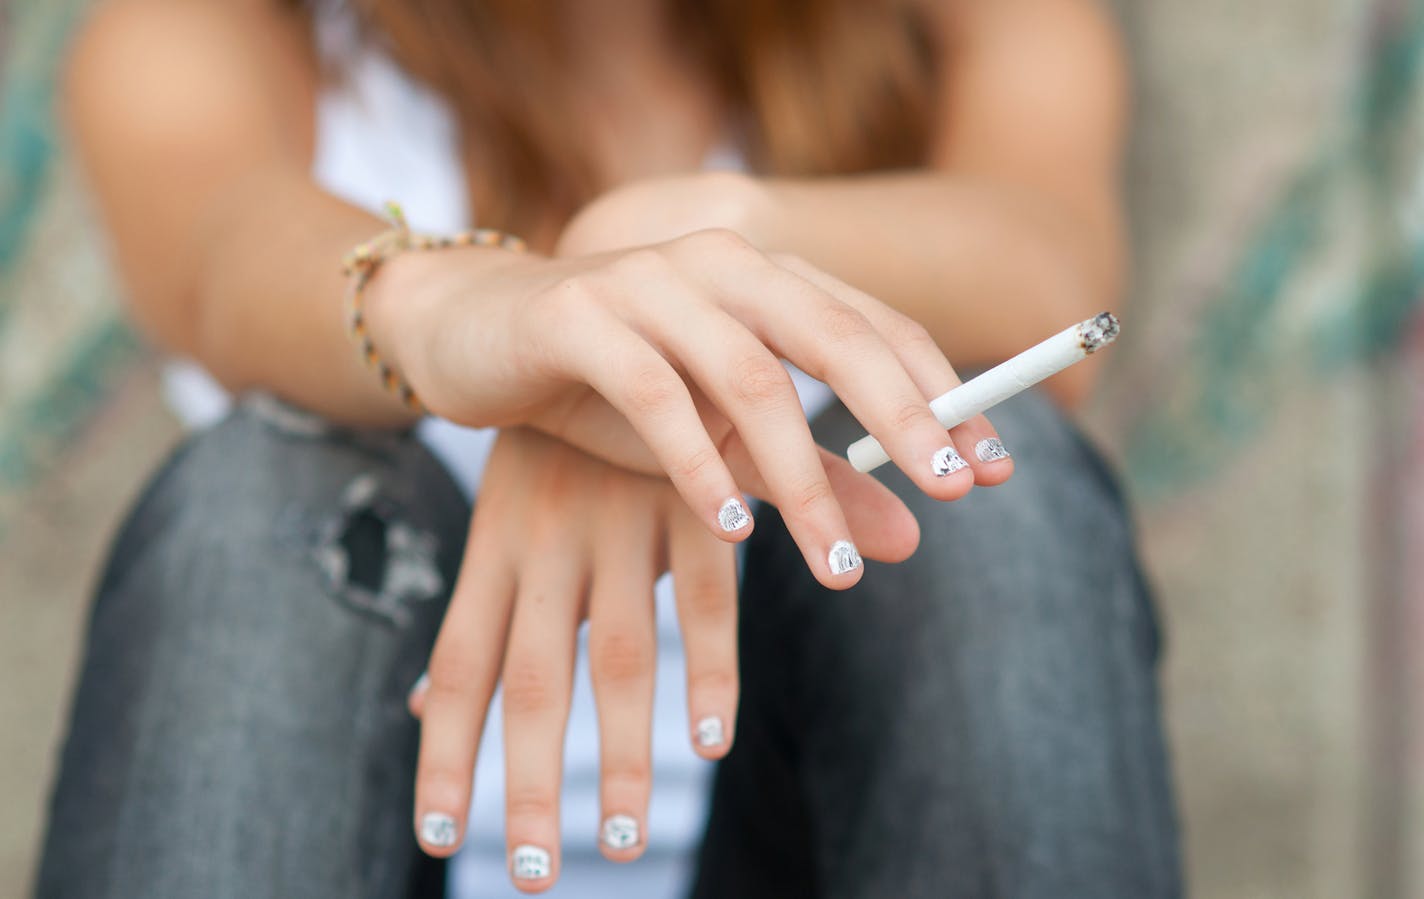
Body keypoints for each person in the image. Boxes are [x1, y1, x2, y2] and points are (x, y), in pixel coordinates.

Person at [37, 0, 1181, 896]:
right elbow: (223, 258)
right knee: (266, 487)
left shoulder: (966, 25)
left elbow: (1052, 282)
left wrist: (677, 240)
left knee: (979, 480)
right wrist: (497, 319)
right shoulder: (213, 40)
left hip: (798, 856)